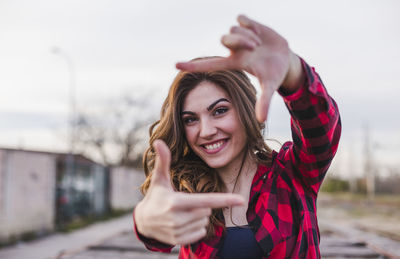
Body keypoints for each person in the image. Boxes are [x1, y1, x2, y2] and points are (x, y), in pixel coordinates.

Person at [133, 15, 341, 258]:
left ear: (245, 110)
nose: (206, 130)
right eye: (191, 119)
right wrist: (144, 221)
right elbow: (157, 236)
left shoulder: (292, 173)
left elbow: (320, 126)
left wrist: (293, 71)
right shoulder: (187, 190)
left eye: (219, 111)